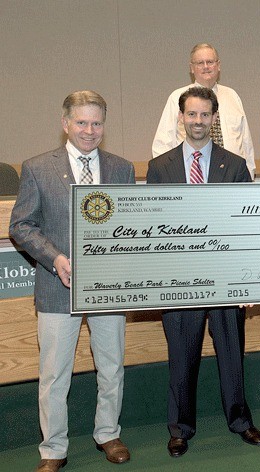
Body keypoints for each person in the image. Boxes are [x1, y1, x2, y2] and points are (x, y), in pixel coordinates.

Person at [10, 91, 135, 472]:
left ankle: (108, 433)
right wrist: (55, 259)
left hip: (108, 288)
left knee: (112, 366)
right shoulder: (37, 168)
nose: (89, 130)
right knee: (53, 374)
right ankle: (53, 449)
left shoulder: (121, 168)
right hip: (56, 286)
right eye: (81, 122)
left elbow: (131, 226)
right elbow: (21, 226)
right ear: (65, 123)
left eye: (97, 123)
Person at [147, 87, 260, 457]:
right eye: (191, 114)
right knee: (182, 356)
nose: (198, 121)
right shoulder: (160, 166)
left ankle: (240, 421)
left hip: (227, 280)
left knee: (232, 353)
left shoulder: (235, 164)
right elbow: (153, 226)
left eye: (204, 115)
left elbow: (247, 228)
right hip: (180, 283)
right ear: (180, 117)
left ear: (214, 118)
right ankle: (180, 428)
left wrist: (246, 280)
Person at [152, 43, 255, 179]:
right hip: (190, 176)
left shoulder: (232, 96)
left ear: (218, 65)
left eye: (210, 62)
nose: (206, 67)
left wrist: (249, 173)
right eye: (200, 63)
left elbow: (246, 141)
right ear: (192, 68)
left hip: (230, 177)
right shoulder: (177, 97)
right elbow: (162, 145)